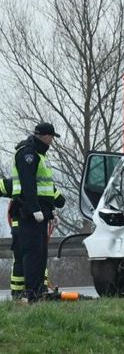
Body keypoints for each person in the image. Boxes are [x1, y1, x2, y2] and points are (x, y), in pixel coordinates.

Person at [11, 122, 61, 302]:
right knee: (32, 254)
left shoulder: (39, 154)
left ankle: (39, 291)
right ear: (45, 136)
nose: (53, 141)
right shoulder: (28, 154)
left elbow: (45, 188)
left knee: (40, 254)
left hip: (41, 213)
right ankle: (31, 293)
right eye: (52, 137)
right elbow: (28, 185)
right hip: (29, 214)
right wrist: (34, 209)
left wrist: (52, 211)